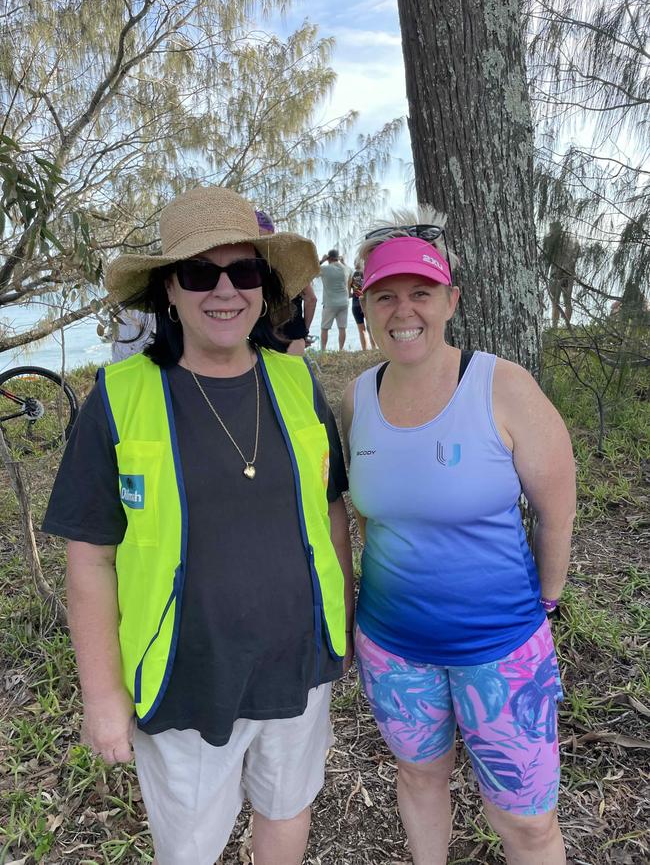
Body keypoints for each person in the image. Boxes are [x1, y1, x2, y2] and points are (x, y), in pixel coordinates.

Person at [42, 186, 355, 865]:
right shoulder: (117, 401)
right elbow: (91, 558)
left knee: (287, 808)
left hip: (298, 667)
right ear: (168, 292)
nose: (224, 290)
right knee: (189, 849)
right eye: (198, 272)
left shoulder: (299, 384)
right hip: (185, 678)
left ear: (263, 287)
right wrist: (102, 695)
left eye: (243, 271)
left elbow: (332, 511)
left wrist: (344, 627)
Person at [341, 211, 575, 865]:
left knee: (526, 823)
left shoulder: (503, 387)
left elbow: (556, 510)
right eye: (385, 294)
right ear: (364, 303)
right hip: (395, 651)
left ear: (452, 299)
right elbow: (372, 515)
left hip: (501, 651)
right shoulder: (357, 397)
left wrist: (546, 601)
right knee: (419, 777)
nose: (403, 309)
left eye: (421, 291)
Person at [256, 210, 317, 355]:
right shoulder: (291, 263)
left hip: (259, 335)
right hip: (293, 333)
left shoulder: (247, 264)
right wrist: (304, 330)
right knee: (294, 376)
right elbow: (311, 299)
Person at [317, 249, 350, 351]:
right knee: (342, 328)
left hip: (330, 303)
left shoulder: (325, 269)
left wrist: (322, 260)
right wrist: (343, 261)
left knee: (324, 328)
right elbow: (351, 271)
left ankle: (323, 350)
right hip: (344, 302)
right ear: (338, 257)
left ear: (329, 258)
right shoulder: (345, 269)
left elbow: (312, 269)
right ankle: (341, 349)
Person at [348, 263, 376, 351]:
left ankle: (365, 349)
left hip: (356, 305)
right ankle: (374, 348)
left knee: (361, 330)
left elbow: (352, 293)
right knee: (370, 327)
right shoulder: (368, 273)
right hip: (366, 304)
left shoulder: (354, 275)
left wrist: (353, 294)